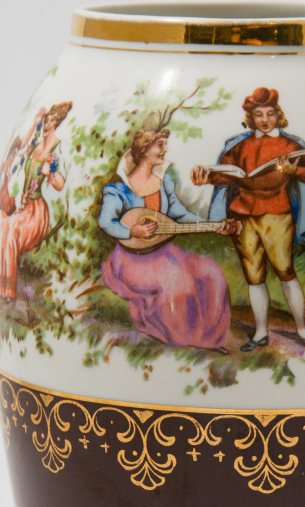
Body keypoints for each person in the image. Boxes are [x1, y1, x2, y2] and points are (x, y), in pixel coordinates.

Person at [191, 87, 305, 351]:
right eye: (259, 115)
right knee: (253, 276)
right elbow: (226, 174)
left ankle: (301, 329)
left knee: (285, 272)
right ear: (251, 118)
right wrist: (206, 177)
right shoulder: (238, 145)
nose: (265, 120)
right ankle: (260, 333)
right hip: (242, 217)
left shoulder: (292, 145)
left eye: (270, 114)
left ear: (278, 115)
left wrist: (294, 170)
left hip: (277, 215)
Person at [98, 128, 239, 350]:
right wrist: (132, 231)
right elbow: (106, 222)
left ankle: (208, 338)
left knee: (210, 272)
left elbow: (180, 215)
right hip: (131, 259)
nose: (166, 149)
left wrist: (213, 225)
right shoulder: (118, 190)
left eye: (165, 144)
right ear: (144, 150)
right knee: (177, 282)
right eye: (160, 145)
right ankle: (182, 337)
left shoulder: (163, 185)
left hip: (165, 253)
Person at [0, 102, 72, 299]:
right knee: (0, 223)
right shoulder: (34, 147)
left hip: (37, 213)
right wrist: (34, 122)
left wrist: (49, 173)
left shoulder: (56, 150)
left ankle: (8, 292)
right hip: (24, 208)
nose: (45, 126)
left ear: (56, 124)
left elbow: (61, 183)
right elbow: (19, 149)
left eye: (50, 122)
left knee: (11, 230)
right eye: (45, 121)